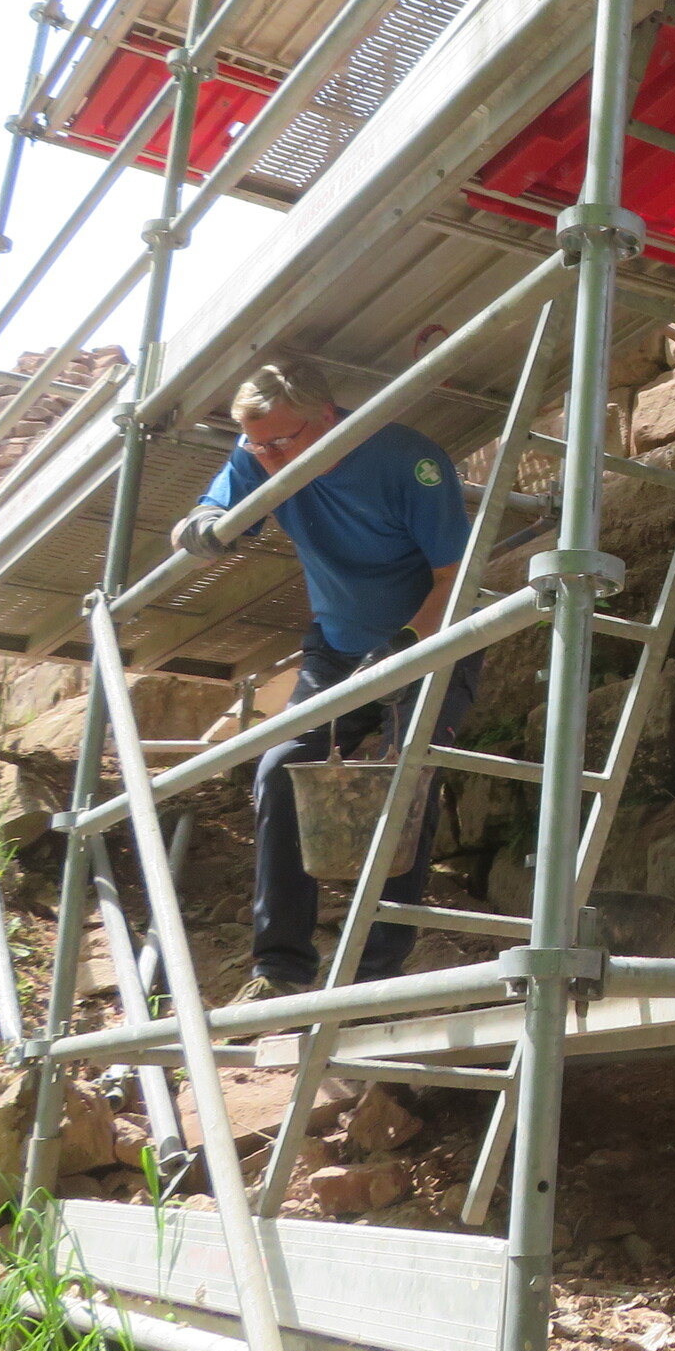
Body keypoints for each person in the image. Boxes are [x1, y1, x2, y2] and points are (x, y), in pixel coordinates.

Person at [175, 357, 480, 1005]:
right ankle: (280, 966)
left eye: (279, 442)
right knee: (280, 769)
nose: (267, 458)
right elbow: (213, 508)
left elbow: (457, 579)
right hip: (336, 648)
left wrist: (403, 648)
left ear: (327, 417)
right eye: (255, 445)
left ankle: (375, 972)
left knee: (405, 776)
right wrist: (200, 524)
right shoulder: (262, 451)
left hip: (428, 641)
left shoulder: (408, 462)